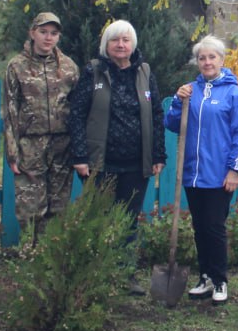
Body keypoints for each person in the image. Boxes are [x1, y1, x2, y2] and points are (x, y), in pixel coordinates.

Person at [68, 19, 166, 291]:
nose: (121, 45)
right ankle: (95, 275)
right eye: (115, 40)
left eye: (126, 40)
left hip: (136, 163)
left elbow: (156, 114)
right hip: (100, 163)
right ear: (106, 44)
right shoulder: (93, 72)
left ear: (133, 44)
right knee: (97, 218)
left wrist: (158, 154)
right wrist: (80, 155)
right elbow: (76, 114)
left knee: (129, 220)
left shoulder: (145, 72)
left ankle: (125, 275)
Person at [165, 35, 238, 305]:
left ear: (222, 60)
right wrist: (178, 101)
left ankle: (220, 279)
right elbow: (172, 123)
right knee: (200, 227)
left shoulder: (235, 95)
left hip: (219, 175)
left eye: (212, 57)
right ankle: (204, 277)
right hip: (193, 174)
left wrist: (235, 170)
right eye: (202, 58)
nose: (207, 62)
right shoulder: (190, 91)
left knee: (214, 227)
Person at [3, 11, 80, 247]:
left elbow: (78, 109)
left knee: (58, 206)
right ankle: (30, 252)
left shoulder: (68, 67)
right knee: (30, 206)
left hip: (62, 146)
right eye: (43, 32)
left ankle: (50, 255)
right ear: (32, 33)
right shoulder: (17, 66)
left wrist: (78, 148)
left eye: (53, 33)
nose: (48, 38)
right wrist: (12, 151)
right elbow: (10, 109)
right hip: (30, 144)